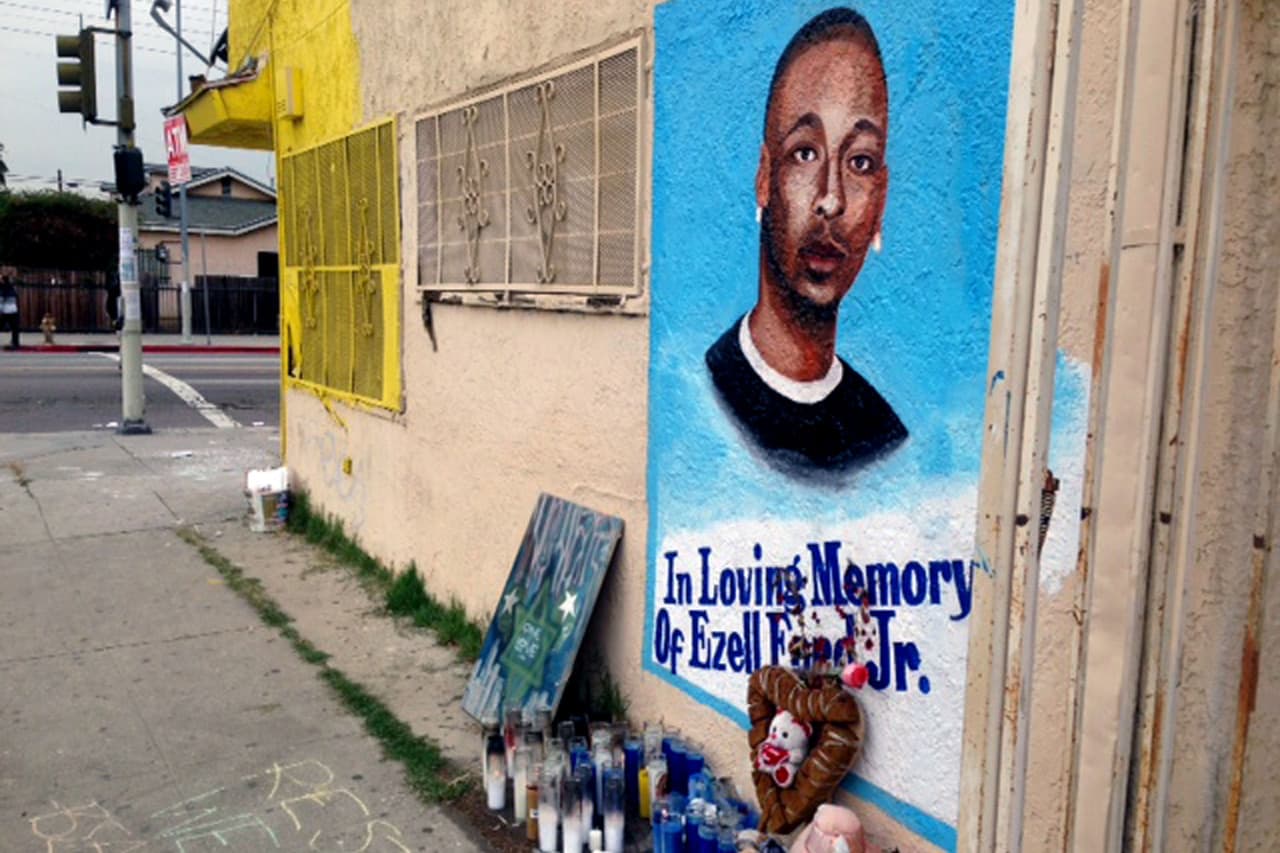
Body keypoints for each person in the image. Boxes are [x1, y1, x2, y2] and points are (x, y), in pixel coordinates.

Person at [705, 8, 906, 475]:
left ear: (880, 201)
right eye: (805, 153)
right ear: (764, 178)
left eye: (860, 162)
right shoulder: (709, 385)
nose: (831, 199)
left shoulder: (883, 437)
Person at [0, 275, 19, 350]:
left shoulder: (2, 289)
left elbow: (0, 301)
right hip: (13, 311)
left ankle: (15, 343)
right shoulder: (12, 288)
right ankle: (15, 343)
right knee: (15, 329)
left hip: (5, 312)